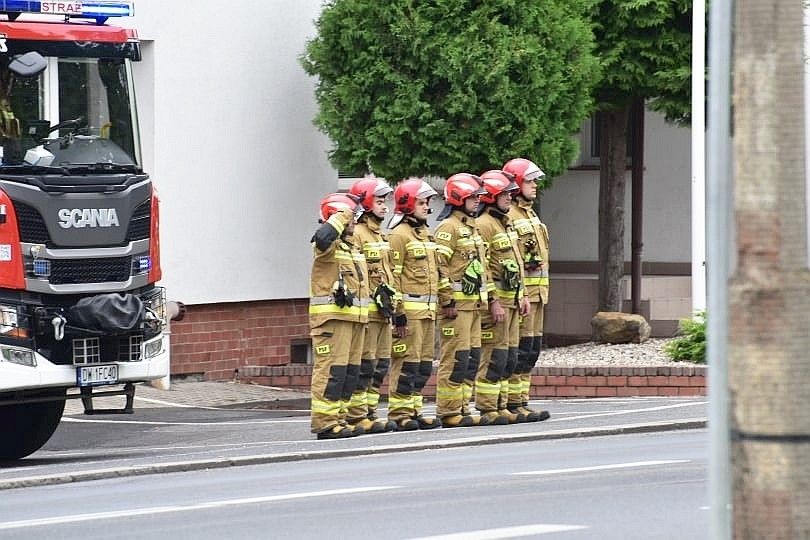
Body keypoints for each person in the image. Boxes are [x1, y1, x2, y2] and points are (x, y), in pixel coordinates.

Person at [308, 193, 367, 439]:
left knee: (348, 373)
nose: (355, 223)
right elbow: (322, 238)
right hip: (332, 323)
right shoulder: (326, 247)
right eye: (352, 218)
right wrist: (343, 213)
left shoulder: (350, 247)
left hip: (353, 321)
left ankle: (339, 418)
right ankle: (325, 422)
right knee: (331, 371)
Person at [433, 173, 490, 427]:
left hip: (473, 305)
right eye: (473, 197)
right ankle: (448, 410)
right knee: (455, 358)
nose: (478, 201)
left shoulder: (471, 227)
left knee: (470, 359)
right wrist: (447, 301)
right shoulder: (448, 228)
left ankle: (463, 406)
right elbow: (440, 267)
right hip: (456, 308)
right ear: (459, 198)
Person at [475, 170, 530, 425]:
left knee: (509, 356)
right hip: (498, 304)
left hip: (513, 301)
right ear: (491, 197)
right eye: (505, 194)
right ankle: (488, 407)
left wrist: (524, 295)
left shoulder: (504, 223)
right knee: (494, 356)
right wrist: (493, 301)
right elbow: (483, 268)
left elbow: (516, 264)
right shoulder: (484, 224)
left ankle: (502, 404)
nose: (510, 197)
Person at [387, 178, 442, 430]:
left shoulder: (425, 234)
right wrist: (398, 315)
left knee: (422, 366)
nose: (426, 207)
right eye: (422, 202)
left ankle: (414, 409)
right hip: (410, 315)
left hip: (428, 313)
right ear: (407, 204)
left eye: (427, 202)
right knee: (407, 364)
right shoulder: (398, 236)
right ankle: (400, 413)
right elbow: (393, 278)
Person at [346, 176, 397, 432]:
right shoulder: (358, 235)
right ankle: (357, 415)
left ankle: (370, 411)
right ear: (365, 203)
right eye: (379, 201)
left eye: (385, 201)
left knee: (381, 365)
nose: (385, 206)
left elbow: (388, 274)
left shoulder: (381, 234)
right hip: (367, 314)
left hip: (384, 313)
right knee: (365, 365)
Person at [503, 158, 552, 422]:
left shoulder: (530, 214)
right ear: (516, 184)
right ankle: (510, 403)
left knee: (531, 350)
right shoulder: (509, 215)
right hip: (522, 298)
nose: (535, 186)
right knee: (518, 350)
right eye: (530, 181)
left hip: (537, 296)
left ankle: (521, 400)